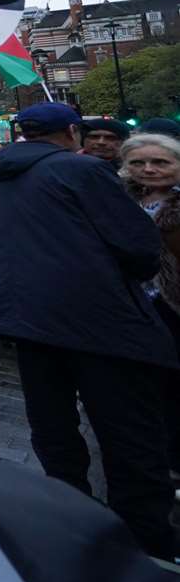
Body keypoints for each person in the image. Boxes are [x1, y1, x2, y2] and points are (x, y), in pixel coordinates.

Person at [0, 103, 176, 560]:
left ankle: (70, 516)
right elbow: (138, 246)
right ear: (72, 132)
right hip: (97, 322)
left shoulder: (1, 171)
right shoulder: (82, 170)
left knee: (54, 430)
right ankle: (146, 539)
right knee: (129, 435)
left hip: (28, 320)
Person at [118, 132, 180, 481]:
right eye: (138, 163)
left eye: (160, 162)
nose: (149, 169)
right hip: (138, 303)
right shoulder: (121, 200)